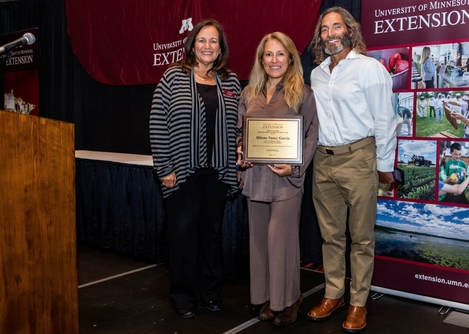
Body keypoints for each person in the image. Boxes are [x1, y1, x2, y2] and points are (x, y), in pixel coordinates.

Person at [307, 6, 397, 333]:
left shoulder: (369, 68)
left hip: (359, 157)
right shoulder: (316, 74)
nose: (330, 34)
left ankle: (358, 302)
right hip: (322, 160)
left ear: (349, 30)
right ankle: (334, 294)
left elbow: (386, 120)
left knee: (360, 238)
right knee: (330, 236)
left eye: (336, 27)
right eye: (324, 29)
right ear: (320, 36)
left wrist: (383, 166)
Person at [149, 19, 241, 319]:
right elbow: (157, 124)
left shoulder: (229, 81)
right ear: (192, 44)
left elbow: (239, 128)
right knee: (183, 236)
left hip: (217, 173)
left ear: (220, 48)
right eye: (202, 40)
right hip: (181, 172)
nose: (207, 46)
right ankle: (183, 295)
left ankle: (211, 292)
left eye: (213, 41)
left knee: (212, 236)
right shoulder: (173, 77)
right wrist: (164, 167)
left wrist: (241, 153)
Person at [236, 32, 318, 326]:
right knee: (259, 244)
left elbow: (311, 136)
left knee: (281, 243)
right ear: (261, 60)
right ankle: (269, 297)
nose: (274, 60)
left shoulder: (303, 94)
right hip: (255, 178)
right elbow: (240, 132)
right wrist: (240, 151)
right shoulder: (248, 93)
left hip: (286, 181)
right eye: (268, 54)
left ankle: (289, 299)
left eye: (280, 54)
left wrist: (295, 168)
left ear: (291, 58)